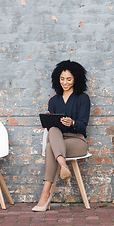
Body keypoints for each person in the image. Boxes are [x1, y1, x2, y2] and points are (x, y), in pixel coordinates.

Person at [32, 60, 90, 212]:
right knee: (52, 130)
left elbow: (83, 126)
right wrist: (50, 121)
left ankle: (44, 195)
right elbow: (53, 128)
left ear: (76, 79)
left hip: (77, 141)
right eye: (62, 79)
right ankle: (63, 165)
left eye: (69, 79)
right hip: (59, 140)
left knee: (51, 147)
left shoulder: (83, 98)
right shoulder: (53, 101)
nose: (65, 82)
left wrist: (72, 123)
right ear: (57, 79)